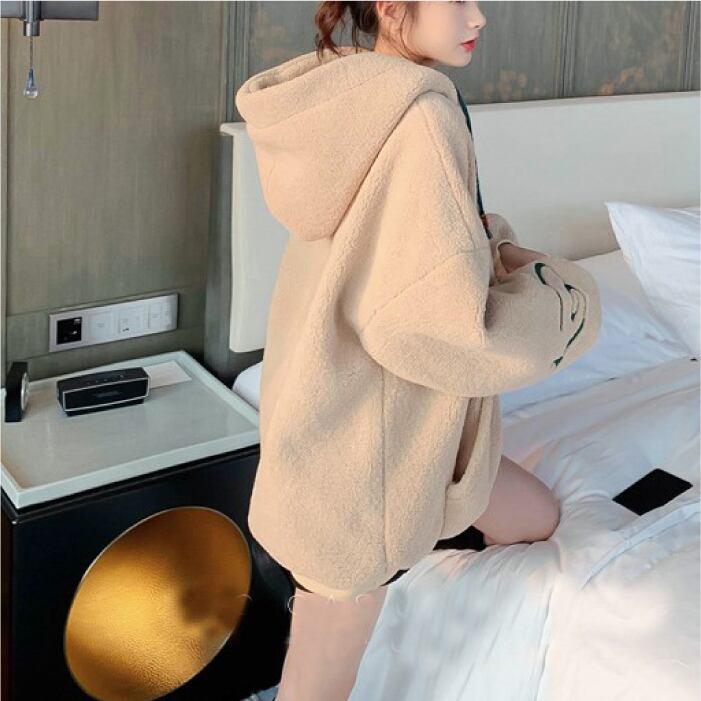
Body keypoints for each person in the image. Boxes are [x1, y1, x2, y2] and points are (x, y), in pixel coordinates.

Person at [235, 2, 602, 700]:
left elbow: (411, 250)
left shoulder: (350, 96)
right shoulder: (423, 117)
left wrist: (488, 245)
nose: (479, 17)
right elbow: (437, 333)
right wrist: (566, 299)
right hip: (364, 463)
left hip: (372, 417)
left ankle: (434, 584)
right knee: (314, 687)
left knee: (538, 520)